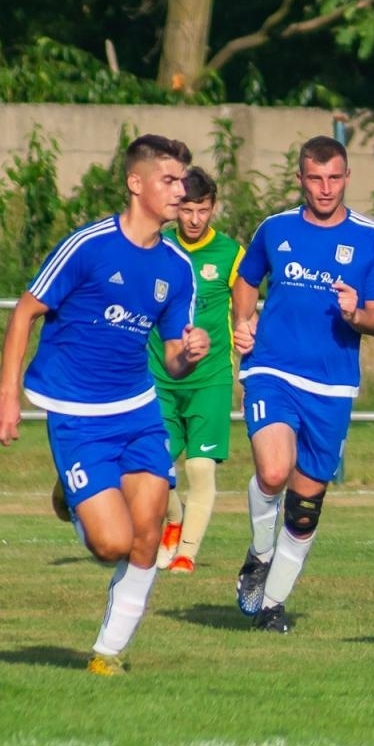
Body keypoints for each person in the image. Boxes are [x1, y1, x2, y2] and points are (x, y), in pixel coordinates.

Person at [0, 134, 209, 676]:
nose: (180, 190)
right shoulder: (88, 246)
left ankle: (107, 654)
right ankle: (72, 491)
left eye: (182, 180)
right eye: (169, 180)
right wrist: (7, 398)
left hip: (136, 409)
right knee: (112, 544)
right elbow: (24, 313)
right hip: (76, 413)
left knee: (149, 533)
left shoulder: (178, 268)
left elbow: (176, 358)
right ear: (136, 184)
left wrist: (192, 353)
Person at [231, 135, 374, 632]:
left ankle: (272, 605)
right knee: (275, 471)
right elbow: (245, 277)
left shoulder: (371, 238)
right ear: (300, 179)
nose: (325, 188)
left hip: (332, 385)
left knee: (304, 507)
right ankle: (259, 555)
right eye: (315, 178)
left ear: (347, 178)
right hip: (272, 369)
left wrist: (354, 313)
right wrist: (245, 320)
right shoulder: (274, 229)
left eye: (334, 178)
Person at [147, 166, 244, 574]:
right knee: (154, 466)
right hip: (159, 376)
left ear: (213, 208)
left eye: (202, 210)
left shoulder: (230, 254)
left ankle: (185, 553)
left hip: (211, 378)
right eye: (186, 209)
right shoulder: (158, 248)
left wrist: (247, 331)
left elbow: (243, 313)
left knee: (201, 467)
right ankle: (172, 520)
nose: (193, 219)